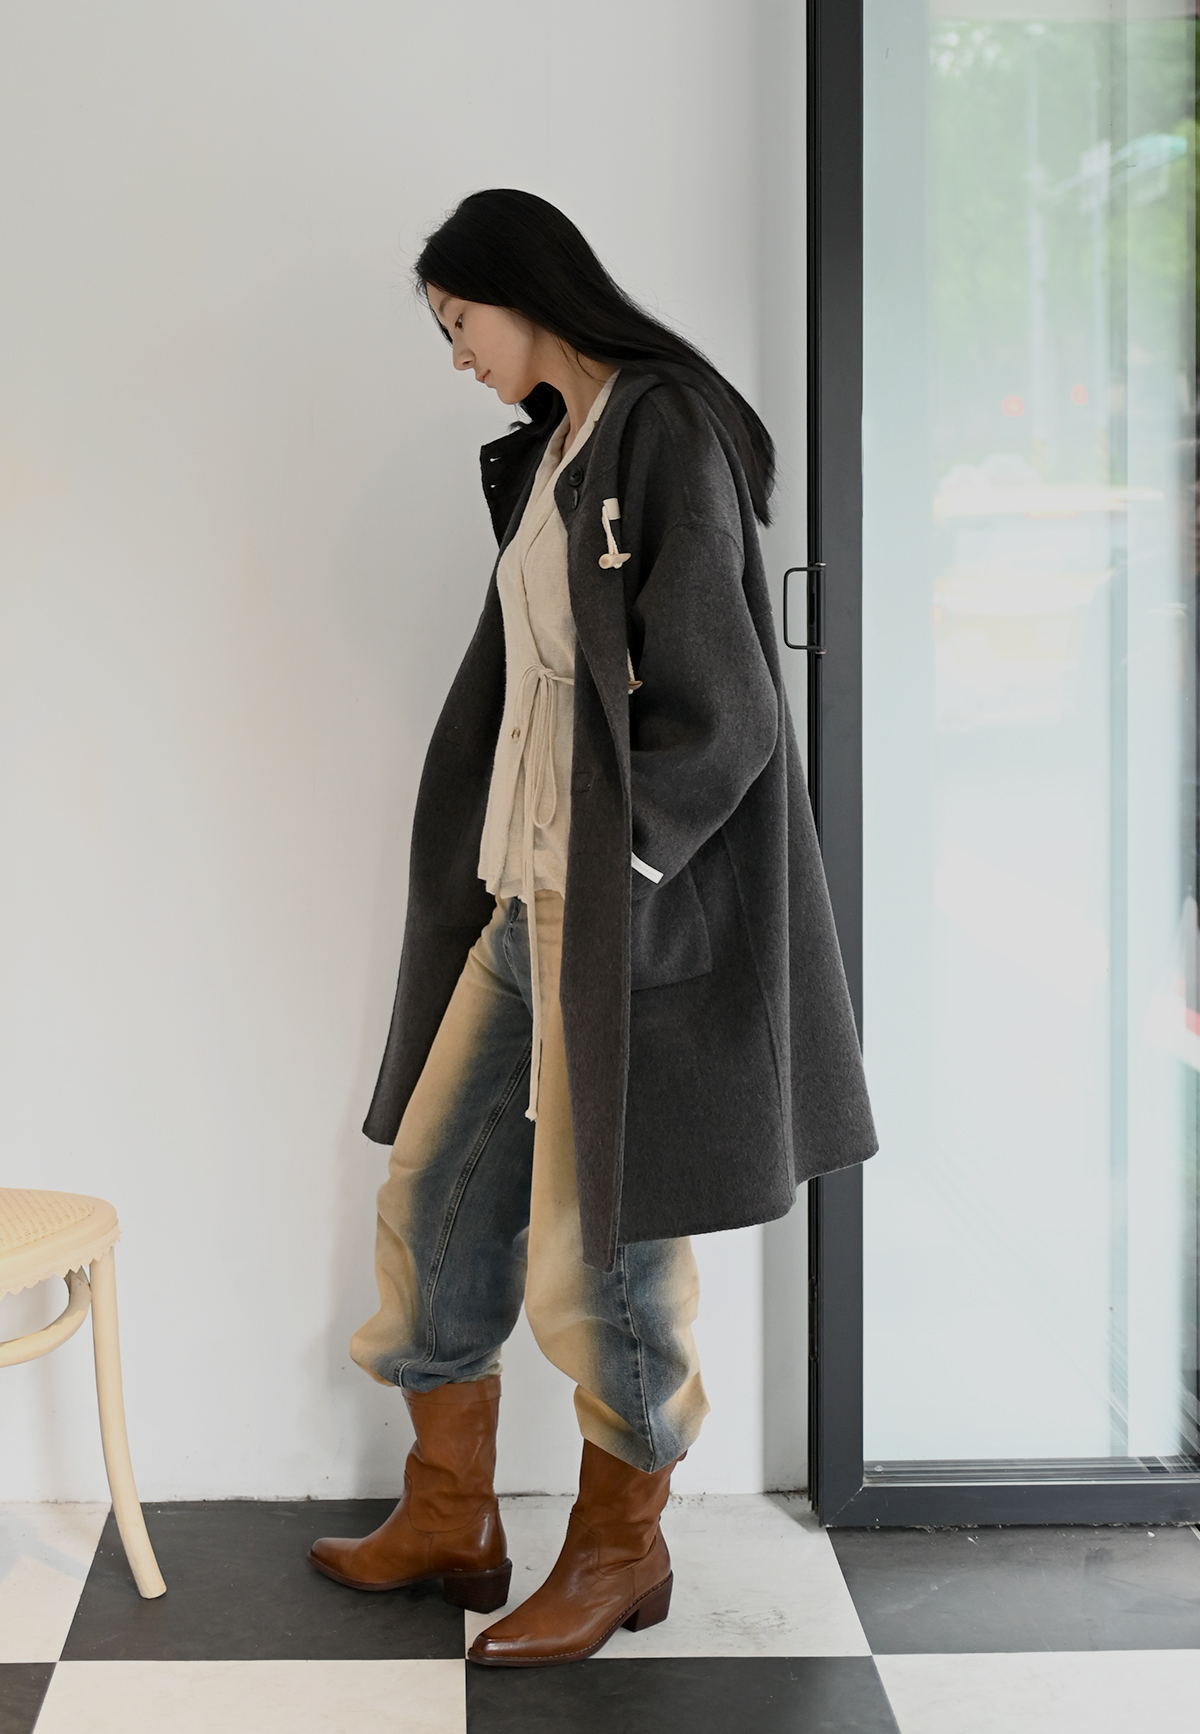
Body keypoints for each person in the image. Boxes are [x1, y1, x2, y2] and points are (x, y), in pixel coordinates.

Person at [308, 189, 876, 1667]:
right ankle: (451, 1513)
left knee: (602, 1245)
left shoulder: (661, 426)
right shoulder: (552, 447)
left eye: (459, 322)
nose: (456, 355)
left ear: (524, 292)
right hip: (524, 896)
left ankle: (622, 1547)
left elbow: (730, 708)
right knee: (433, 1193)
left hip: (612, 913)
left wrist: (622, 863)